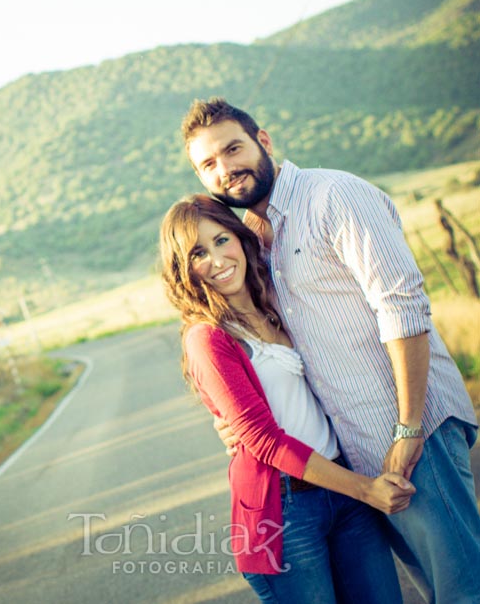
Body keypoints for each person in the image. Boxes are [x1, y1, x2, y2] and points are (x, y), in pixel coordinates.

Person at [180, 96, 480, 604]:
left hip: (411, 434)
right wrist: (236, 415)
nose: (226, 169)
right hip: (358, 456)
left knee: (463, 588)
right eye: (208, 164)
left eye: (233, 149)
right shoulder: (256, 239)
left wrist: (408, 428)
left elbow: (402, 307)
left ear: (264, 142)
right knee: (437, 591)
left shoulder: (332, 196)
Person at [160, 194, 414, 604]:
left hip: (342, 487)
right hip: (283, 513)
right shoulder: (208, 337)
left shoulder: (276, 306)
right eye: (198, 253)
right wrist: (366, 489)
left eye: (221, 240)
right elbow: (263, 440)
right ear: (183, 269)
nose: (217, 259)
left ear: (241, 239)